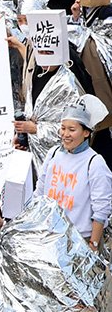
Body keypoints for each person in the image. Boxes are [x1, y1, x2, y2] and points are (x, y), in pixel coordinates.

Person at [32, 96, 112, 247]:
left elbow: (101, 210)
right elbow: (40, 192)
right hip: (50, 235)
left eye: (72, 129)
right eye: (63, 128)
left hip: (80, 239)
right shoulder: (54, 153)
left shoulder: (94, 162)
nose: (65, 134)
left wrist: (93, 245)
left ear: (86, 132)